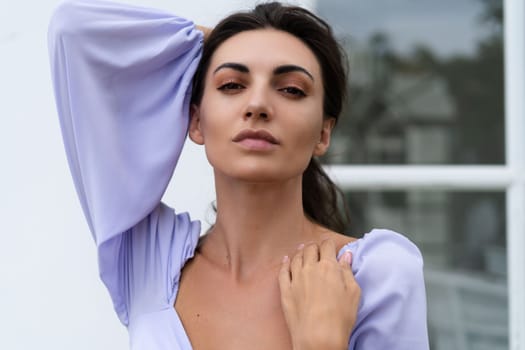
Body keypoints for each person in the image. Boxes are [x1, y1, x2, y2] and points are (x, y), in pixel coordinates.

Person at [48, 0, 429, 349]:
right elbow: (72, 31)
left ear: (323, 134)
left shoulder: (374, 274)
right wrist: (213, 45)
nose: (258, 104)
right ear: (196, 121)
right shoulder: (150, 259)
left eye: (292, 89)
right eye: (232, 85)